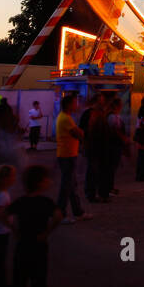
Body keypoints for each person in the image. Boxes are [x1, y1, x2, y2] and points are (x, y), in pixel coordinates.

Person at [9, 164, 62, 287]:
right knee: (39, 279)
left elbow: (3, 215)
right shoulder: (46, 202)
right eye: (47, 179)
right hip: (39, 243)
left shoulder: (21, 201)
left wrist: (14, 230)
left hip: (23, 243)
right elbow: (58, 217)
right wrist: (47, 232)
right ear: (41, 183)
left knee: (20, 278)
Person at [54, 94, 88, 222]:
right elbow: (78, 133)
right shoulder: (65, 119)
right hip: (66, 155)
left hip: (68, 154)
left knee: (72, 185)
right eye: (75, 103)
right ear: (69, 105)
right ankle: (60, 213)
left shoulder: (66, 117)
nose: (76, 105)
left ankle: (78, 211)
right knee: (66, 186)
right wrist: (81, 133)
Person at [83, 98, 111, 204]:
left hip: (102, 148)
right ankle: (91, 194)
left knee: (101, 171)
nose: (102, 103)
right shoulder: (90, 115)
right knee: (92, 172)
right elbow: (85, 131)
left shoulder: (101, 115)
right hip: (94, 148)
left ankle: (102, 193)